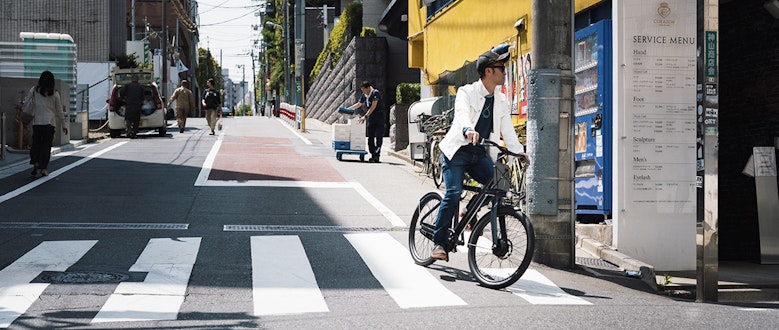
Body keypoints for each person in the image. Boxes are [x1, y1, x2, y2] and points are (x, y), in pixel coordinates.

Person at [430, 44, 530, 261]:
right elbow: (463, 115)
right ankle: (439, 242)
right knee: (453, 193)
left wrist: (519, 153)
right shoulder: (467, 92)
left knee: (498, 185)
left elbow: (508, 131)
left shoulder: (501, 100)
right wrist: (468, 130)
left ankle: (468, 212)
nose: (504, 72)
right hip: (456, 151)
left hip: (479, 155)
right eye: (501, 68)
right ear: (489, 71)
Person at [26, 71, 67, 177]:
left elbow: (26, 102)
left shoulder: (34, 90)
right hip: (50, 123)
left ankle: (35, 162)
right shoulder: (55, 93)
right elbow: (59, 111)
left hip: (37, 122)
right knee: (46, 146)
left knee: (36, 143)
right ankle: (43, 168)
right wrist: (64, 125)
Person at [347, 81, 385, 162]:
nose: (363, 91)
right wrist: (348, 109)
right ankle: (373, 154)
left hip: (379, 116)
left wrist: (365, 116)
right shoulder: (365, 95)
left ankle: (377, 156)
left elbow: (373, 106)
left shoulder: (375, 93)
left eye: (364, 90)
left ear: (368, 88)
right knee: (370, 137)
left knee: (379, 136)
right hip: (371, 117)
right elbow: (359, 104)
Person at [119, 74, 145, 138]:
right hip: (137, 106)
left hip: (129, 105)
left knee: (128, 119)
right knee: (136, 121)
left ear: (131, 79)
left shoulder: (127, 85)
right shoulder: (140, 87)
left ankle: (128, 130)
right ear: (138, 79)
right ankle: (134, 133)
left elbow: (121, 92)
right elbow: (143, 97)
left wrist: (123, 98)